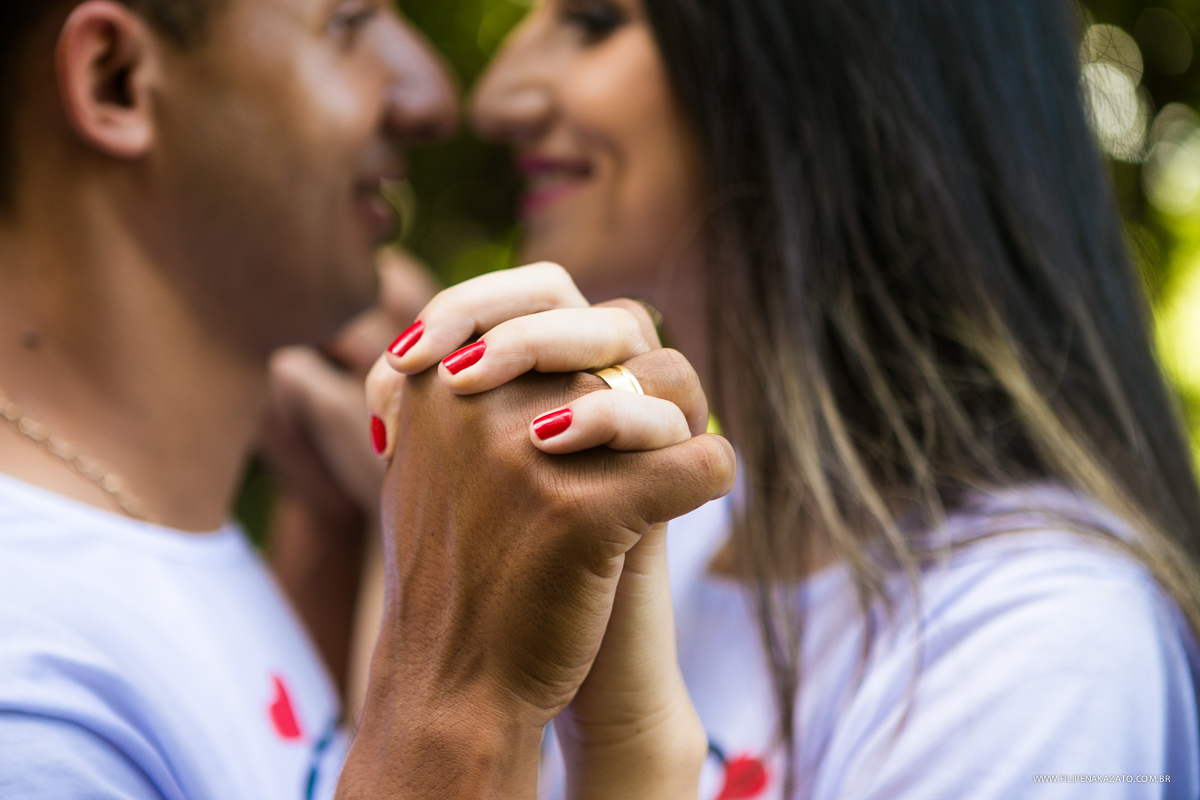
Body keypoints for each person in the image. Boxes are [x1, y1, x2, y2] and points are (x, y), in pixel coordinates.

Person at [365, 0, 1200, 796]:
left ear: (828, 59)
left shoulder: (1044, 644)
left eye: (594, 22)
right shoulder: (649, 546)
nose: (496, 99)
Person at [0, 1, 736, 798]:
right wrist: (465, 697)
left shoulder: (181, 542)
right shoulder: (29, 692)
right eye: (350, 22)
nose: (435, 99)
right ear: (118, 80)